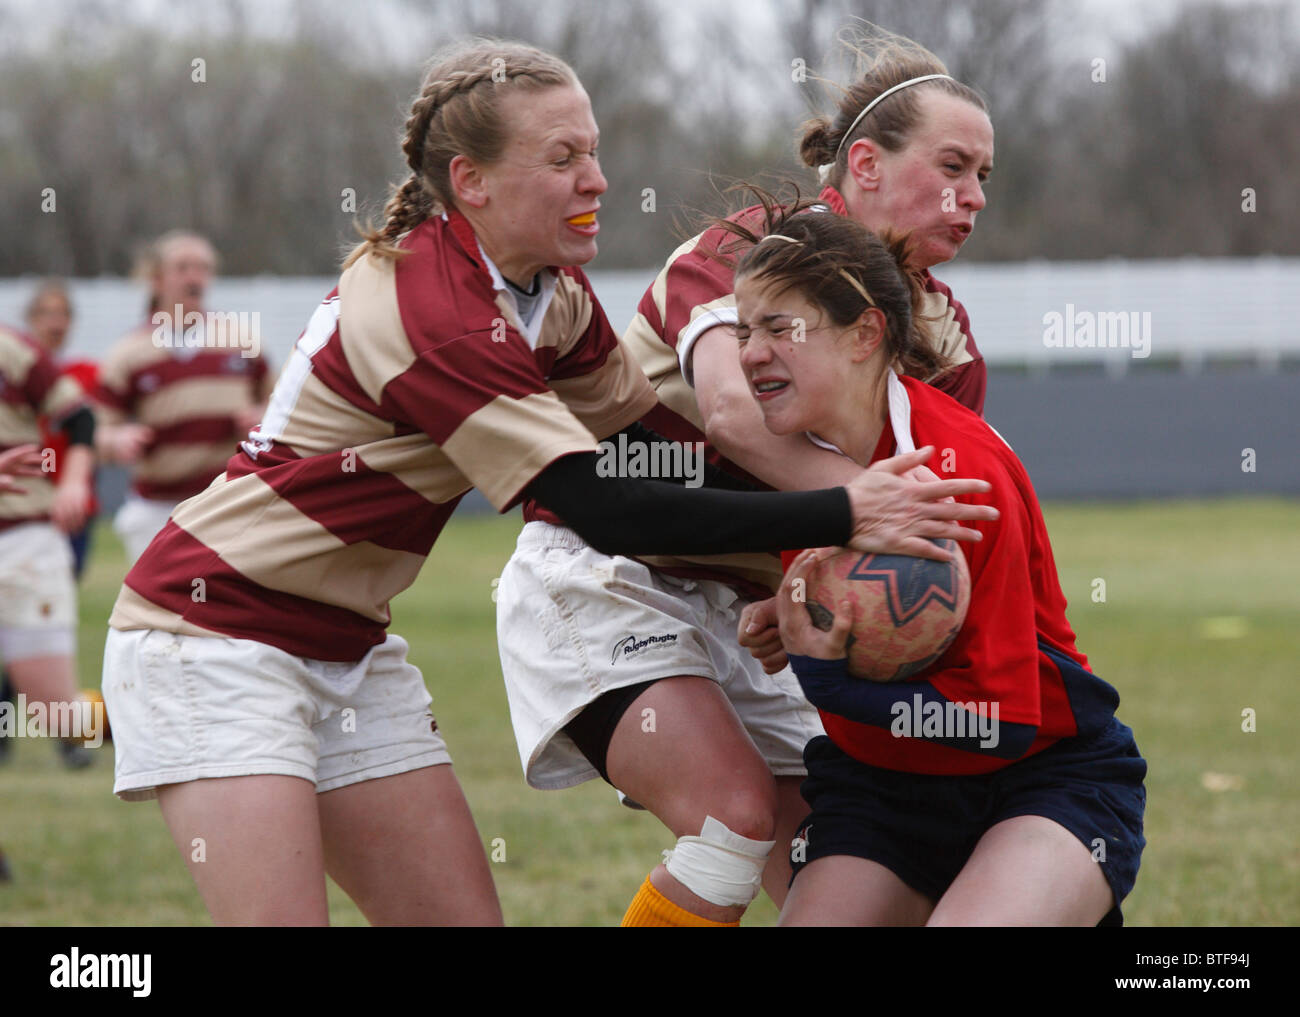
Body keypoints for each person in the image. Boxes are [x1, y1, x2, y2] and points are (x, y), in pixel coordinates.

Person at [99, 38, 987, 927]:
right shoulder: (429, 302)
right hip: (210, 638)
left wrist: (798, 558)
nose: (597, 179)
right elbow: (592, 500)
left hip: (351, 650)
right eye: (563, 158)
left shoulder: (549, 296)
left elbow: (653, 455)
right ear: (472, 182)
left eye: (594, 151)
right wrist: (842, 508)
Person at [495, 25, 996, 927]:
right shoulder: (754, 246)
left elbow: (911, 514)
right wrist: (849, 516)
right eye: (953, 166)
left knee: (851, 869)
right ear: (867, 166)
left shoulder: (944, 336)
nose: (972, 197)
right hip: (607, 573)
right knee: (733, 819)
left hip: (743, 607)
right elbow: (733, 413)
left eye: (984, 178)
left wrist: (806, 581)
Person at [726, 205, 1146, 926]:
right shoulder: (798, 459)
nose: (750, 353)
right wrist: (798, 612)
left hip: (1039, 777)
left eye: (779, 328)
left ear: (865, 334)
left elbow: (1002, 724)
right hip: (881, 789)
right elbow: (869, 603)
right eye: (743, 330)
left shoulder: (958, 472)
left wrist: (827, 675)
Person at [95, 231, 273, 564]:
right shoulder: (127, 353)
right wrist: (116, 439)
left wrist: (261, 416)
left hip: (229, 498)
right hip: (157, 507)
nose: (194, 277)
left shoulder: (243, 340)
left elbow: (281, 409)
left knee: (223, 608)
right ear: (157, 279)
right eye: (183, 267)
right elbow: (97, 431)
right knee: (152, 612)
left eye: (203, 268)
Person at [0, 318, 97, 770]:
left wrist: (73, 483)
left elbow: (81, 418)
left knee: (57, 713)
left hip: (24, 540)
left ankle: (168, 723)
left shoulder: (12, 349)